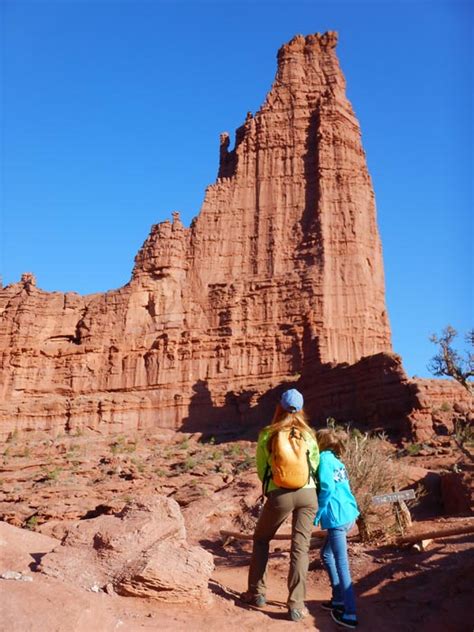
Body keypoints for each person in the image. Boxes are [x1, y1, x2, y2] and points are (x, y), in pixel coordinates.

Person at [241, 388, 320, 622]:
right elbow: (314, 464)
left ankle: (257, 593)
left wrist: (274, 486)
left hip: (280, 493)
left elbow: (261, 466)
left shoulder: (269, 433)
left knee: (261, 539)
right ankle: (296, 605)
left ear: (280, 407)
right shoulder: (308, 434)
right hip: (308, 494)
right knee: (300, 548)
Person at [314, 428, 359, 629]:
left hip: (337, 517)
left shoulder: (324, 460)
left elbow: (327, 488)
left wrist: (318, 513)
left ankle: (350, 614)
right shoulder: (335, 460)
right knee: (326, 554)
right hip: (348, 514)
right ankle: (339, 599)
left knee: (341, 563)